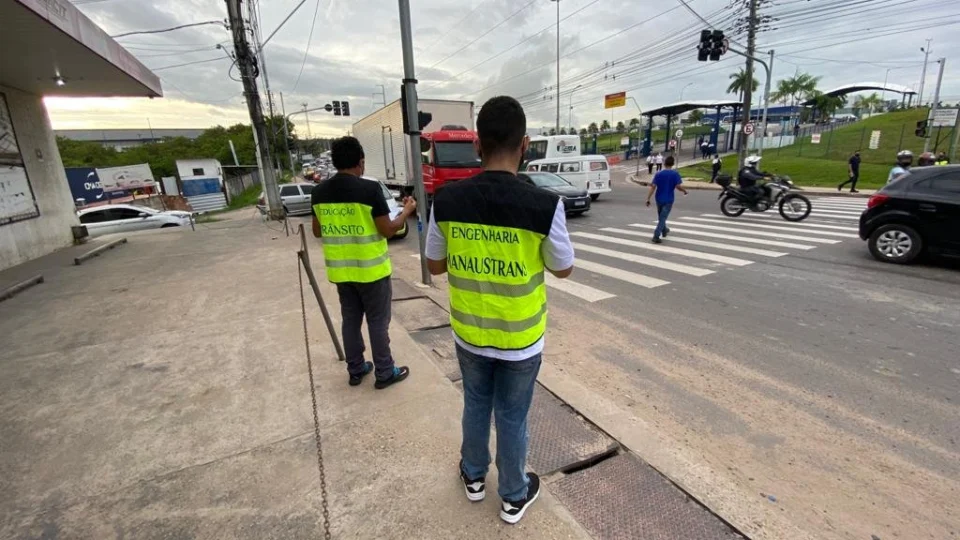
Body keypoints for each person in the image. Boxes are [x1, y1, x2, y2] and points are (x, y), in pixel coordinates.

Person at [425, 96, 574, 525]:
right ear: (525, 145)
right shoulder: (544, 205)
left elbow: (435, 265)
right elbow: (563, 270)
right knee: (512, 415)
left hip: (470, 333)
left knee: (475, 403)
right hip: (520, 340)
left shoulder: (448, 200)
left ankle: (473, 477)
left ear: (477, 146)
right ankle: (512, 495)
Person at [311, 136, 416, 389]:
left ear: (335, 162)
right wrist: (406, 211)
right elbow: (388, 230)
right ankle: (384, 372)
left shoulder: (319, 192)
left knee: (350, 320)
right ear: (361, 162)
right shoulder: (369, 190)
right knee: (378, 322)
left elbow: (317, 231)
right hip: (372, 271)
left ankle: (356, 369)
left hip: (341, 271)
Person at [646, 155, 688, 244]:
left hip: (659, 199)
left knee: (661, 217)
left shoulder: (658, 174)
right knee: (663, 217)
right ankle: (656, 236)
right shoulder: (675, 174)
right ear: (672, 164)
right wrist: (684, 191)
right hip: (669, 199)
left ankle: (665, 230)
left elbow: (653, 187)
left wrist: (648, 198)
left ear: (664, 163)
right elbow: (678, 186)